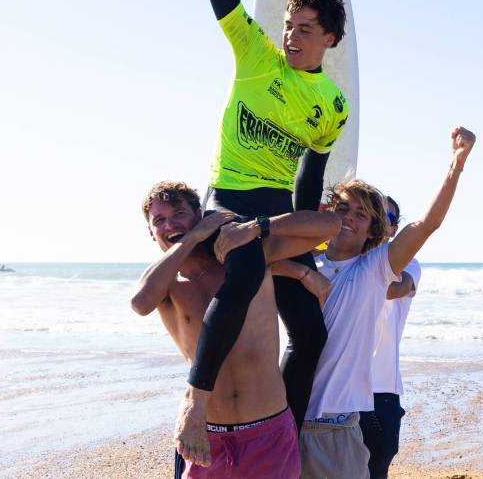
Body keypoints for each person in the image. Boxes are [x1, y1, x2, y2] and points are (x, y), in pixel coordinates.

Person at [175, 0, 352, 458]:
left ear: (329, 39)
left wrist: (300, 241)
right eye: (288, 26)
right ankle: (195, 403)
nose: (291, 36)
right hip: (230, 198)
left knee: (310, 332)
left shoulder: (332, 105)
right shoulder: (256, 54)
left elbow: (309, 176)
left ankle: (284, 433)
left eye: (305, 30)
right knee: (247, 270)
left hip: (275, 209)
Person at [293, 127, 476, 479]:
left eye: (360, 214)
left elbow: (426, 225)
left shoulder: (372, 270)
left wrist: (456, 164)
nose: (349, 217)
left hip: (335, 429)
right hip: (284, 420)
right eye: (343, 208)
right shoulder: (302, 262)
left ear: (373, 229)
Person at [131, 181, 338, 477]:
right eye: (159, 220)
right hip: (205, 437)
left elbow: (328, 226)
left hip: (268, 430)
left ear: (200, 214)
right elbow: (139, 303)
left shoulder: (246, 258)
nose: (170, 224)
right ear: (150, 232)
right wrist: (192, 238)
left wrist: (258, 227)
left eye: (179, 214)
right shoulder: (167, 284)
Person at [358, 195, 421, 478]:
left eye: (388, 218)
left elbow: (394, 289)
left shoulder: (411, 265)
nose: (381, 222)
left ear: (395, 229)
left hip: (381, 392)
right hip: (337, 389)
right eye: (374, 214)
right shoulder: (342, 262)